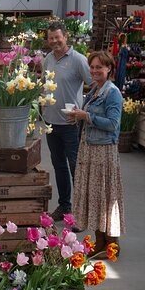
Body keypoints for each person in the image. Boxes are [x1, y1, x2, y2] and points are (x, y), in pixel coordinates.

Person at [67, 51, 125, 254]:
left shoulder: (112, 93)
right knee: (96, 196)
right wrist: (77, 117)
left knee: (107, 197)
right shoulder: (94, 90)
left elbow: (113, 124)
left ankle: (112, 246)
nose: (94, 70)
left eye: (99, 67)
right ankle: (101, 243)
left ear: (109, 69)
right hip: (90, 149)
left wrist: (87, 116)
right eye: (92, 67)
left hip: (103, 151)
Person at [43, 21, 92, 222]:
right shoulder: (47, 60)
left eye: (58, 37)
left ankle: (82, 209)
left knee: (74, 166)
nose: (55, 41)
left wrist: (84, 110)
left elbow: (94, 84)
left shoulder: (78, 60)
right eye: (51, 38)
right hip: (50, 122)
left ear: (66, 36)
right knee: (59, 165)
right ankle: (65, 206)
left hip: (71, 124)